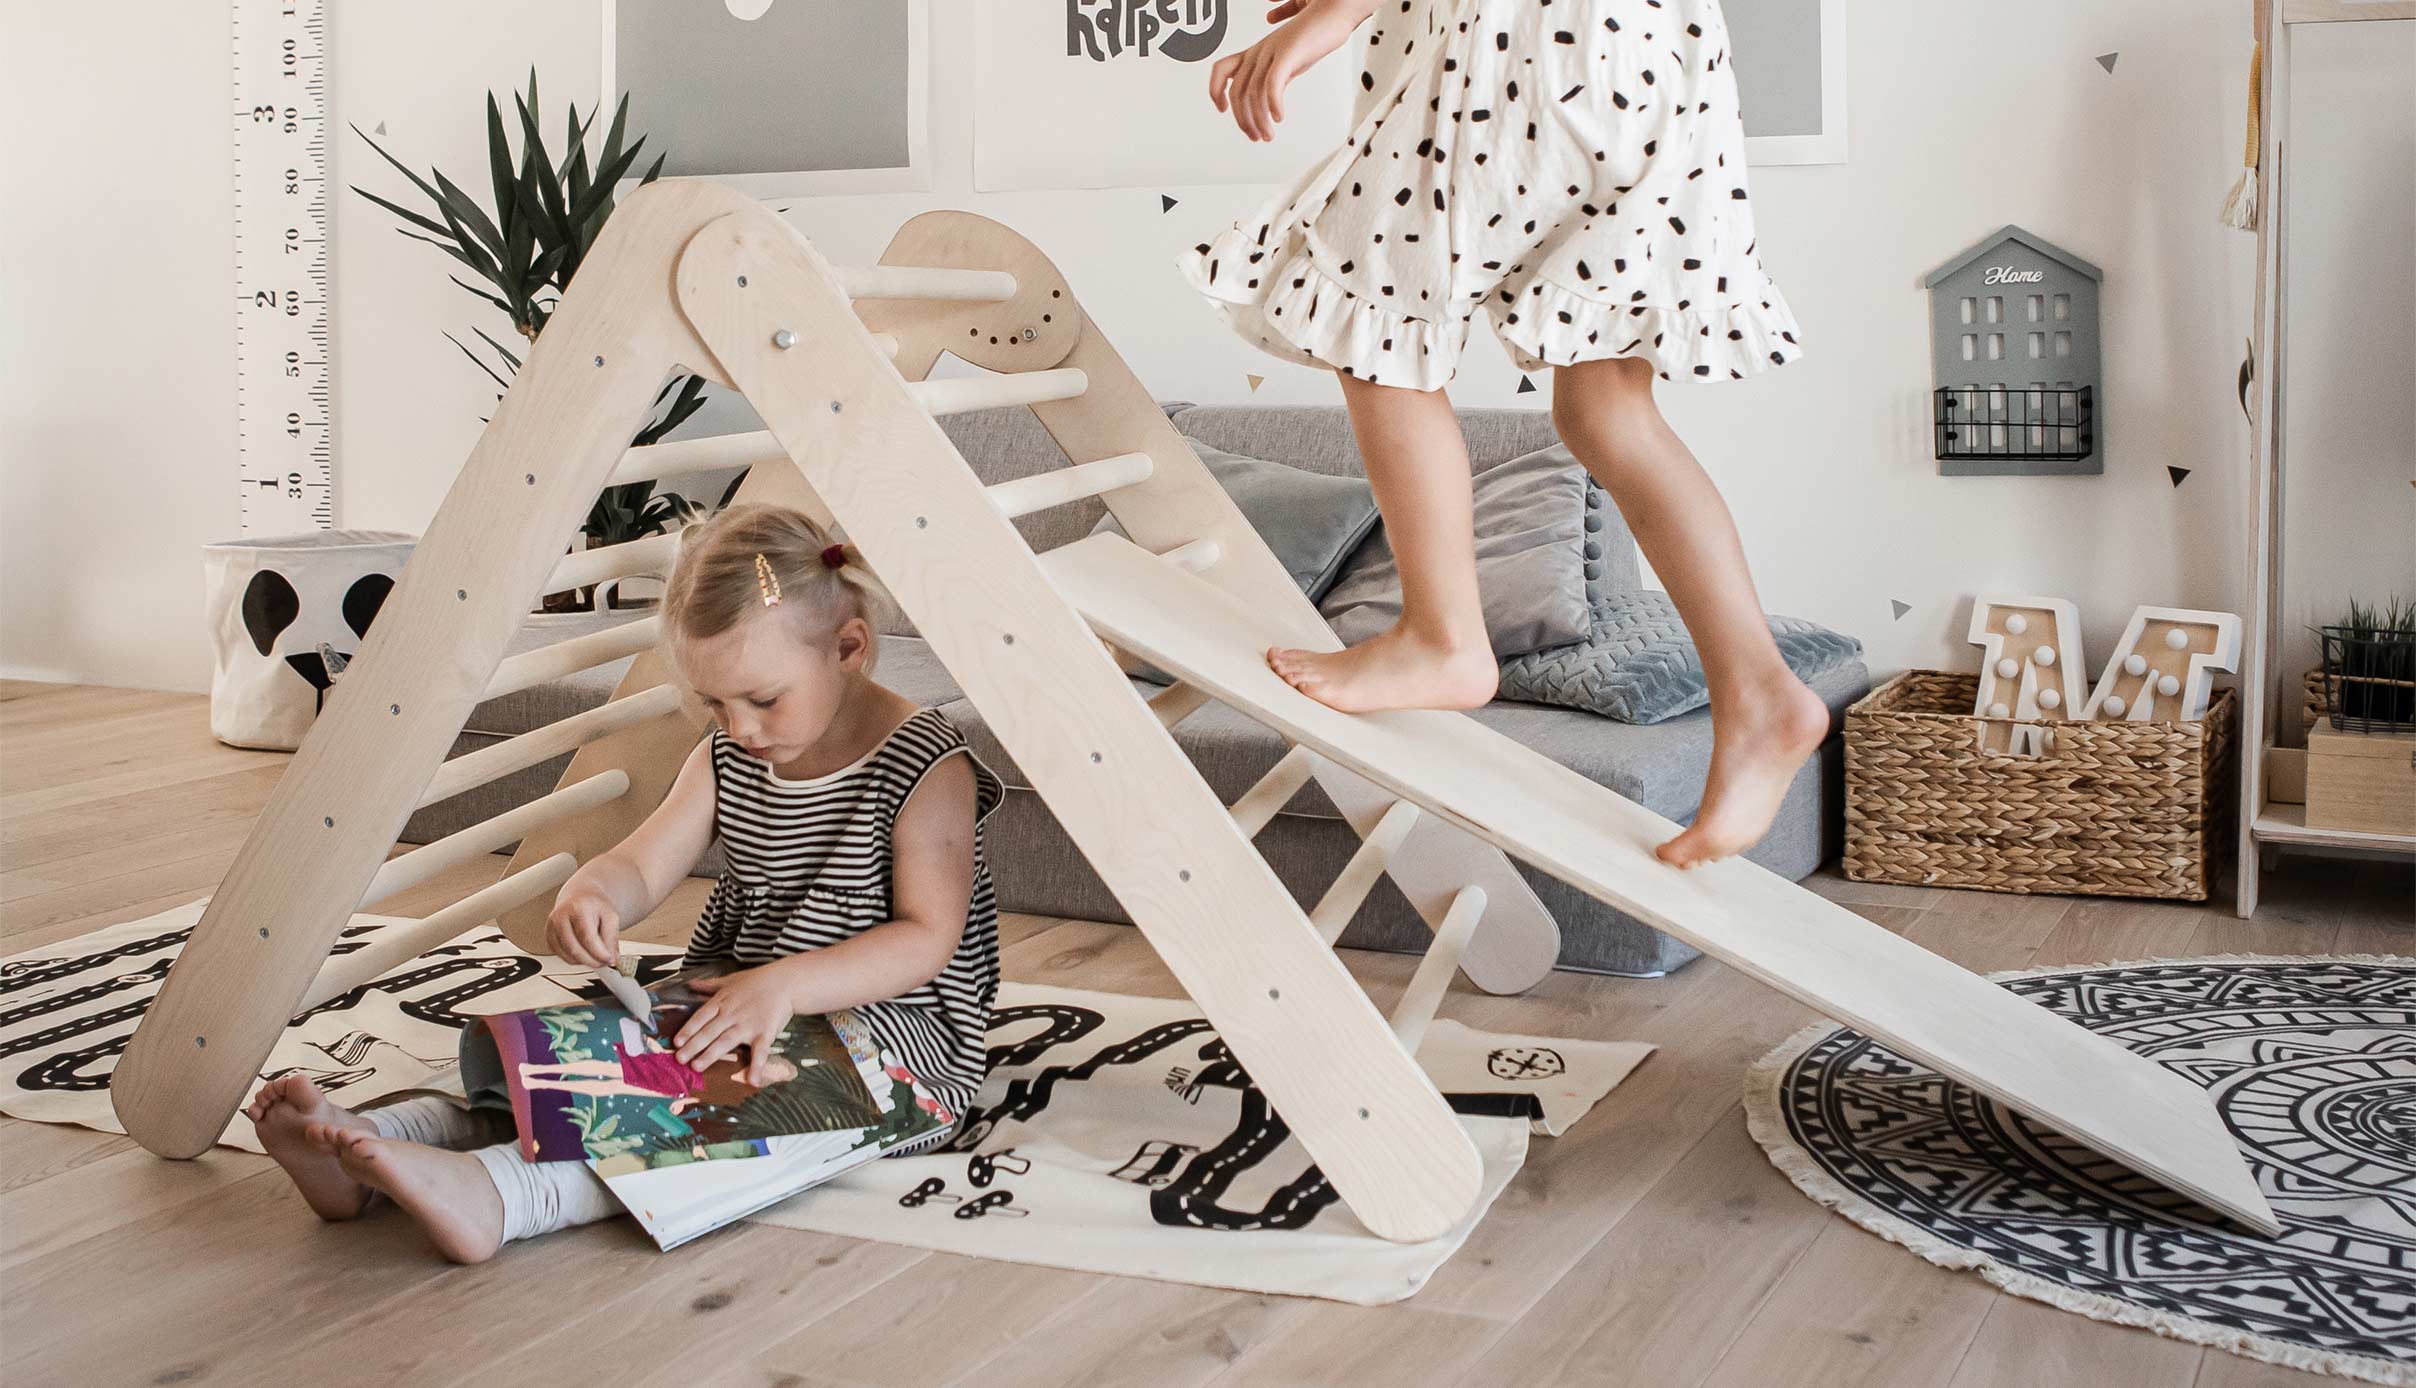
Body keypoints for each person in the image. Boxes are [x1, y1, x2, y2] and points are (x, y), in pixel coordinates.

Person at [245, 503, 1005, 1262]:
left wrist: (784, 988)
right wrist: (596, 893)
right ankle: (381, 1145)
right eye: (714, 702)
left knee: (711, 1111)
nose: (739, 727)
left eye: (762, 699)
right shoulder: (730, 757)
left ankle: (505, 1195)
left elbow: (925, 938)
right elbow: (643, 862)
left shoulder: (924, 765)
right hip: (735, 1004)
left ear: (849, 648)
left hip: (895, 1043)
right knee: (595, 1061)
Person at [1180, 0, 1826, 867]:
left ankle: (1443, 634)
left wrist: (1333, 16)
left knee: (1370, 301)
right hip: (1647, 56)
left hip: (1523, 39)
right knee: (1606, 411)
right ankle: (1760, 692)